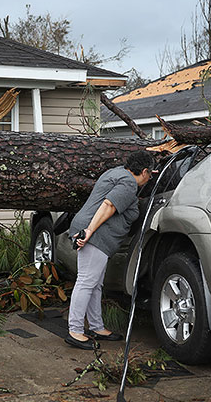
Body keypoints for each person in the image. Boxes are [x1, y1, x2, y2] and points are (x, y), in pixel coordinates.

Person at [65, 150, 155, 350]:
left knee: (94, 283)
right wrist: (89, 231)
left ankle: (97, 327)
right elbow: (108, 205)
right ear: (145, 171)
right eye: (150, 175)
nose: (150, 179)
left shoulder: (115, 173)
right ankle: (75, 331)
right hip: (95, 235)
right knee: (87, 281)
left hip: (94, 233)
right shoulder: (128, 183)